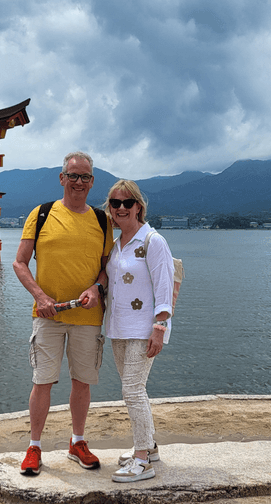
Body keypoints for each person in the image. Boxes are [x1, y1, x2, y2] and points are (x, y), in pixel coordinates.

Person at [13, 151, 114, 476]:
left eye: (85, 177)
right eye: (73, 175)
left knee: (82, 382)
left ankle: (77, 441)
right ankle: (34, 446)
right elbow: (20, 261)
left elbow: (106, 269)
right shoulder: (41, 214)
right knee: (43, 381)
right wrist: (40, 296)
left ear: (92, 182)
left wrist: (96, 289)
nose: (79, 182)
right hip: (48, 315)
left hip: (87, 318)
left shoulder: (102, 220)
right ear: (62, 178)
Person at [99, 179, 174, 483]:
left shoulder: (152, 241)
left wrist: (160, 327)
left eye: (127, 203)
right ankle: (150, 447)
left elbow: (166, 286)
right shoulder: (117, 245)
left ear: (138, 207)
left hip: (144, 328)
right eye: (115, 203)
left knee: (132, 390)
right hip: (118, 327)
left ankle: (142, 459)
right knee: (134, 390)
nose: (120, 208)